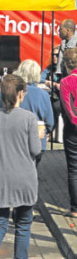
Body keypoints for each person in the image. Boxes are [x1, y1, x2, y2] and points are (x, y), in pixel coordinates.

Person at [0, 74, 42, 259]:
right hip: (25, 179)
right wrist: (41, 136)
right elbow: (35, 150)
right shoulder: (29, 118)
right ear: (20, 94)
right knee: (23, 225)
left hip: (0, 179)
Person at [0, 59, 54, 161]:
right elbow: (50, 122)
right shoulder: (44, 95)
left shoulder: (11, 91)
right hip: (37, 141)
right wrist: (47, 131)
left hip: (13, 141)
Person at [59, 48, 77, 218]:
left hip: (73, 131)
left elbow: (69, 110)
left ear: (65, 64)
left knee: (73, 169)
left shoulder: (66, 82)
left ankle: (75, 208)